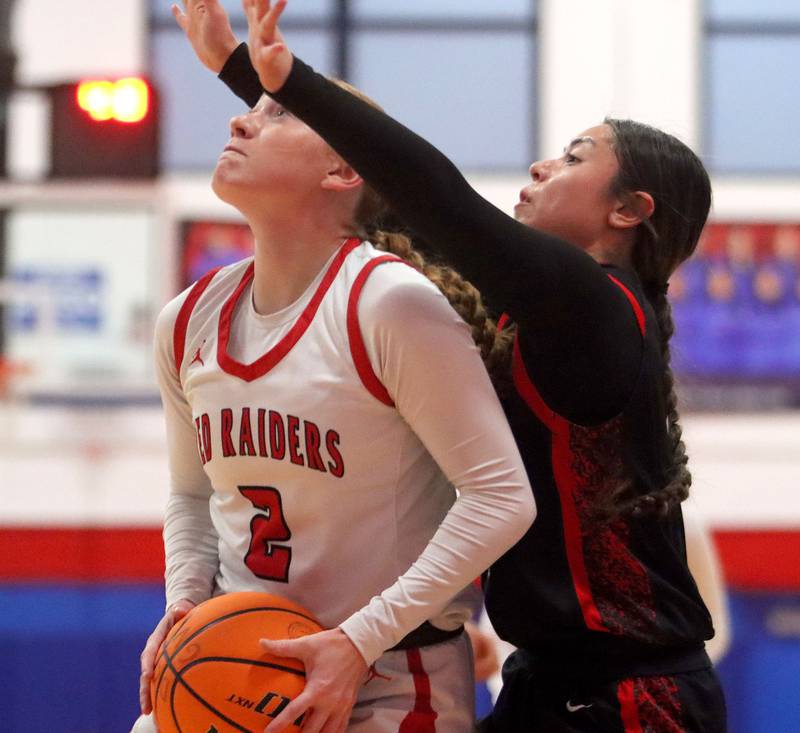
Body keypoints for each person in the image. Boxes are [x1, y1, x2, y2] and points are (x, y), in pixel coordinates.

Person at [174, 0, 730, 730]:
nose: (541, 165)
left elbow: (433, 194)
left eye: (573, 158)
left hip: (633, 698)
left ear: (628, 210)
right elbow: (372, 193)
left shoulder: (599, 307)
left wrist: (282, 79)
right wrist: (246, 79)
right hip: (546, 677)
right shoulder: (538, 310)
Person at [133, 9, 536, 733]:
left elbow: (502, 497)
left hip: (391, 679)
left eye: (277, 114)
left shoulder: (390, 304)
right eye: (251, 109)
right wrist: (186, 604)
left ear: (342, 170)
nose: (239, 122)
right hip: (240, 670)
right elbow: (192, 496)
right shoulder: (186, 319)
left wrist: (357, 640)